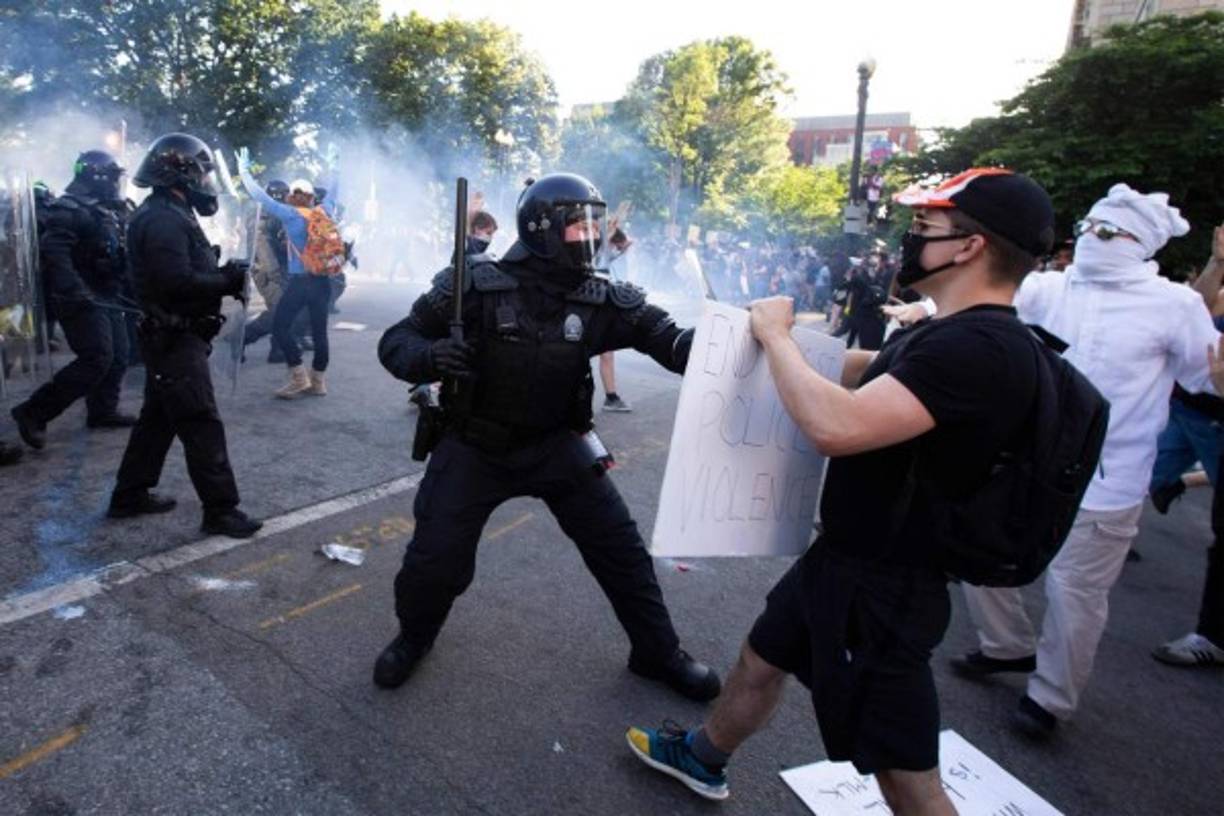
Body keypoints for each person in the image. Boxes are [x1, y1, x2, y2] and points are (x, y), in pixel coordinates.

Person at [626, 167, 1054, 812]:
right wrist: (771, 348)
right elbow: (871, 370)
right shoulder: (950, 330)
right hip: (847, 560)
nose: (909, 240)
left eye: (923, 228)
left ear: (971, 246)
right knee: (762, 656)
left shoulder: (980, 347)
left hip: (887, 588)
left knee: (904, 773)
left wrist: (774, 336)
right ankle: (703, 756)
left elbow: (836, 425)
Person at [374, 173, 719, 702]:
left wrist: (736, 339)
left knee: (621, 550)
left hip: (558, 444)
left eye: (594, 225)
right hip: (475, 445)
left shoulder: (600, 296)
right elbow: (397, 339)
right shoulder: (471, 285)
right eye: (579, 226)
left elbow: (670, 342)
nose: (591, 236)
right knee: (434, 561)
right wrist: (429, 357)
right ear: (543, 228)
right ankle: (414, 637)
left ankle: (657, 650)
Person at [956, 185, 1219, 736]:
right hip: (1027, 460)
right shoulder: (1049, 287)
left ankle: (1050, 698)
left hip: (1109, 475)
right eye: (1089, 227)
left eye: (1110, 232)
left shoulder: (1175, 305)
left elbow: (1203, 377)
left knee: (1074, 593)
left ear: (1141, 243)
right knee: (979, 554)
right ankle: (1006, 646)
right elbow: (982, 306)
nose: (1093, 240)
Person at [107, 132, 262, 540]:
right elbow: (175, 281)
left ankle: (129, 494)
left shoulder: (171, 211)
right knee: (199, 420)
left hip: (173, 337)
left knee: (157, 420)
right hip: (174, 339)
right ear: (181, 174)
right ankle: (221, 510)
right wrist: (225, 279)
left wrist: (219, 274)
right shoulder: (161, 218)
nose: (207, 181)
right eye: (202, 172)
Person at [10, 150, 135, 449]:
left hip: (105, 292)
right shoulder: (70, 209)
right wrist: (74, 290)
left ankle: (102, 410)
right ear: (98, 176)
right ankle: (32, 412)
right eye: (113, 176)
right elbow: (55, 252)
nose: (117, 183)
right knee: (96, 358)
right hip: (79, 297)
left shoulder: (105, 208)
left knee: (119, 354)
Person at [1153, 223, 1224, 667]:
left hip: (1216, 421)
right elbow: (1197, 307)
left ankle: (1212, 635)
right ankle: (1177, 483)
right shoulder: (1213, 293)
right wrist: (1217, 263)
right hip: (1188, 410)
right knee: (1153, 475)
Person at [237, 150, 337, 398]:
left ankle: (298, 377)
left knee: (281, 327)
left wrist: (244, 172)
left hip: (300, 283)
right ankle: (318, 383)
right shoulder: (324, 211)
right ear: (313, 197)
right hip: (323, 282)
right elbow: (336, 191)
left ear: (292, 197)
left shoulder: (289, 214)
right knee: (321, 332)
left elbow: (259, 196)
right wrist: (336, 168)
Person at [599, 225, 634, 412]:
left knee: (607, 354)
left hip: (600, 308)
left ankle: (611, 397)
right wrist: (611, 234)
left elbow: (622, 248)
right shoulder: (598, 252)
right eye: (616, 245)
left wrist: (623, 244)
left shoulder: (605, 254)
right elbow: (607, 247)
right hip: (593, 309)